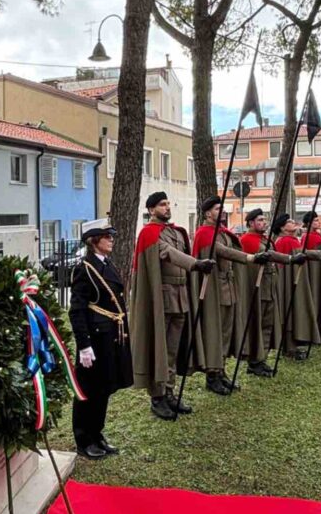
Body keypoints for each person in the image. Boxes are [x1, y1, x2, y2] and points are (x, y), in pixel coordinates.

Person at [130, 192, 213, 421]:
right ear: (151, 210)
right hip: (162, 299)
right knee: (161, 348)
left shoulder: (177, 231)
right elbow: (168, 253)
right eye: (161, 205)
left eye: (167, 204)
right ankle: (157, 397)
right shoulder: (149, 234)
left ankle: (170, 391)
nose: (167, 208)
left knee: (173, 349)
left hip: (180, 297)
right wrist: (196, 264)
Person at [68, 223, 133, 459]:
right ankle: (84, 440)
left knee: (103, 388)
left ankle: (97, 434)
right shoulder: (84, 269)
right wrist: (83, 345)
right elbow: (77, 310)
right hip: (94, 339)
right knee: (89, 390)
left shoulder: (105, 264)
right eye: (106, 237)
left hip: (109, 337)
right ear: (94, 240)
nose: (111, 240)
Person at [192, 197, 269, 394]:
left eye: (222, 208)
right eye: (218, 209)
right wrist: (250, 257)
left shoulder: (222, 232)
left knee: (226, 332)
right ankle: (212, 374)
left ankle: (221, 370)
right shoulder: (204, 234)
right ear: (208, 213)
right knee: (215, 331)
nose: (223, 212)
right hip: (213, 290)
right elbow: (223, 251)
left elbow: (231, 249)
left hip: (228, 287)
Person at [239, 208, 299, 377]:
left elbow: (272, 255)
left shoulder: (264, 239)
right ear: (251, 223)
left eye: (264, 220)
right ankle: (254, 360)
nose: (264, 223)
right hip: (257, 286)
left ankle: (261, 358)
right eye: (260, 220)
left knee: (267, 324)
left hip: (269, 285)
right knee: (257, 323)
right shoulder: (247, 240)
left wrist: (290, 259)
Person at [273, 214, 320, 357]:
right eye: (289, 221)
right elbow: (283, 265)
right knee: (289, 307)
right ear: (282, 227)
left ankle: (293, 344)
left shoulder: (292, 240)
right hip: (288, 280)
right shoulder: (284, 241)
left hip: (297, 278)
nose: (293, 223)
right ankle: (289, 347)